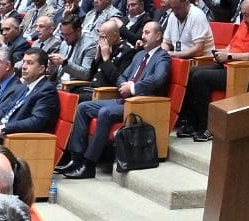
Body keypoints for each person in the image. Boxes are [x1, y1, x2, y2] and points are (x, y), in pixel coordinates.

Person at [58, 21, 169, 178]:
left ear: (158, 36)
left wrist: (133, 88)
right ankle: (76, 159)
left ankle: (89, 165)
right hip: (124, 100)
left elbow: (159, 78)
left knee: (106, 112)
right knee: (83, 107)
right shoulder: (139, 55)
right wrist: (124, 85)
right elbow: (122, 76)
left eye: (147, 33)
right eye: (143, 32)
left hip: (141, 104)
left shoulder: (162, 57)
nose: (143, 36)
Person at [178, 0, 249, 140]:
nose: (244, 19)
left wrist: (229, 56)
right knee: (190, 73)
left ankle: (207, 127)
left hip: (240, 71)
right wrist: (221, 53)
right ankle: (191, 122)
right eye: (242, 15)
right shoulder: (244, 24)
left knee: (200, 78)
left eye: (247, 15)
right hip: (226, 64)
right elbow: (231, 45)